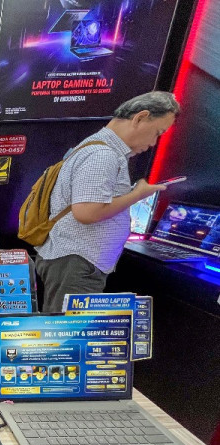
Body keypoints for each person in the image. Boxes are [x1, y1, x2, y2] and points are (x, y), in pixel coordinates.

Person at [35, 91, 180, 312]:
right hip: (78, 263)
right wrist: (137, 195)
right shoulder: (103, 155)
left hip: (76, 263)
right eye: (157, 133)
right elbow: (86, 212)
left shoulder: (101, 149)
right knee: (70, 333)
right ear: (140, 117)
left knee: (65, 330)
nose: (153, 143)